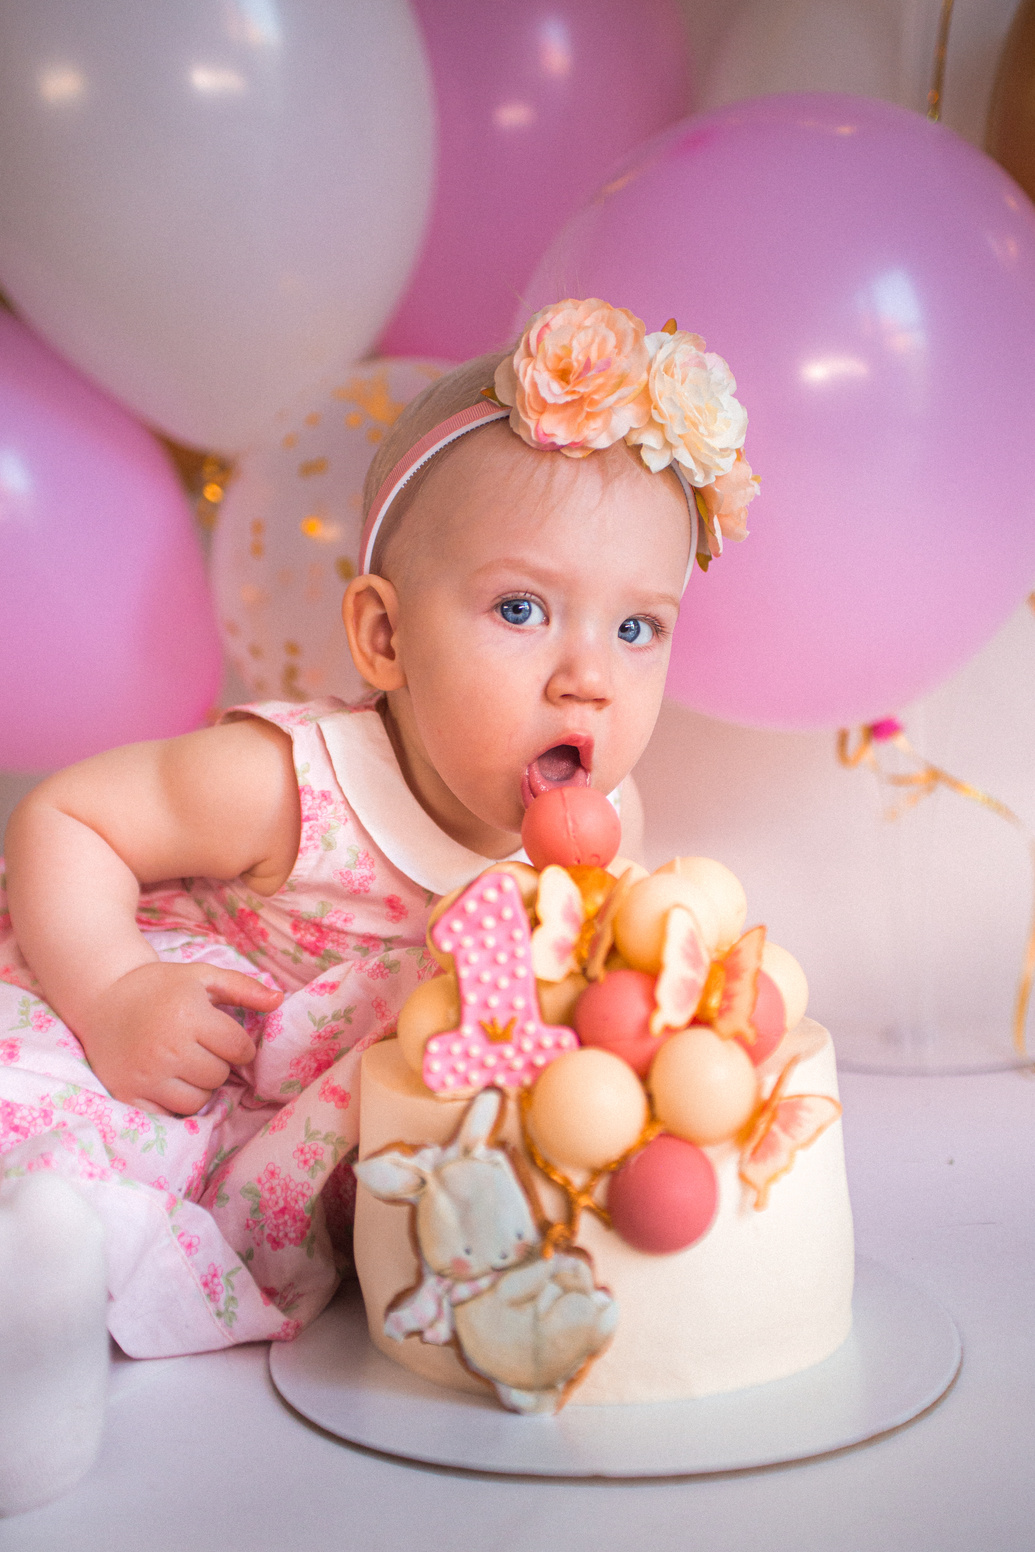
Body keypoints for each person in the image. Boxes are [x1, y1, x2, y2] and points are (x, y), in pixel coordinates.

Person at [0, 298, 757, 1507]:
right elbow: (67, 818)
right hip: (165, 1042)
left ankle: (63, 1319)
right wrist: (112, 989)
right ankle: (27, 1326)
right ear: (384, 637)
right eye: (522, 610)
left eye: (637, 626)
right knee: (73, 1151)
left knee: (191, 1245)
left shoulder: (601, 846)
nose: (590, 676)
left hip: (290, 1144)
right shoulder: (292, 782)